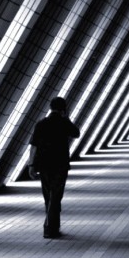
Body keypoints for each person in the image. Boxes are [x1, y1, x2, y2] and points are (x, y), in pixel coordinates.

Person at [28, 96, 80, 238]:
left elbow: (33, 146)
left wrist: (31, 165)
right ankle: (49, 228)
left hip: (44, 165)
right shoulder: (64, 123)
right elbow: (77, 133)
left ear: (50, 107)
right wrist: (66, 118)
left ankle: (53, 227)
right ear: (63, 109)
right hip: (60, 165)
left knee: (48, 197)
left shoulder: (41, 123)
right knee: (56, 196)